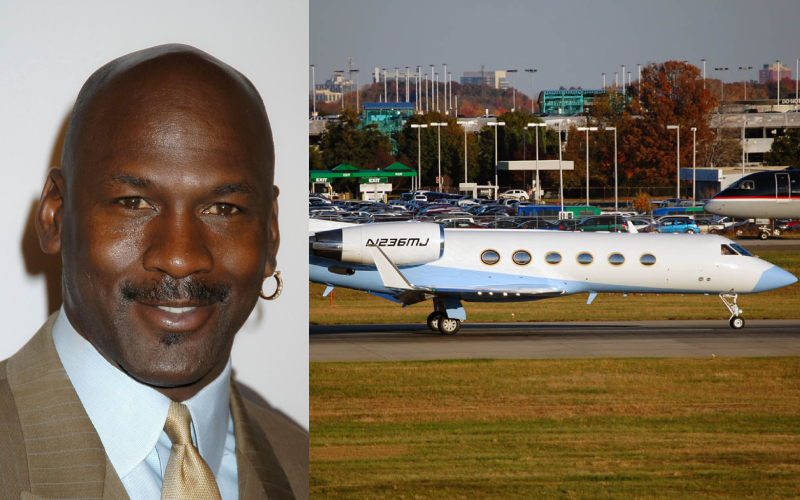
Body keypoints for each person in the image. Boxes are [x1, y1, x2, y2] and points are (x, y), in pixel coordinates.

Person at [0, 44, 307, 500]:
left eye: (224, 208)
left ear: (271, 235)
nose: (181, 257)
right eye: (133, 203)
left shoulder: (299, 461)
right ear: (54, 217)